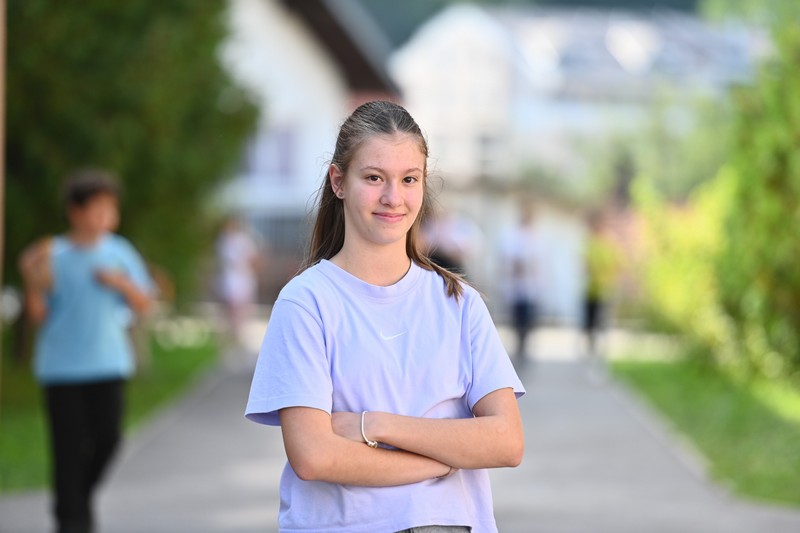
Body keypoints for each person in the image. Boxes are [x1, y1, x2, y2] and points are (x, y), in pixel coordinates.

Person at [245, 101, 525, 533]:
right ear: (339, 181)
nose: (393, 197)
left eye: (409, 179)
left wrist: (371, 425)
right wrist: (439, 461)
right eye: (374, 178)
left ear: (423, 183)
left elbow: (506, 441)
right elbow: (314, 456)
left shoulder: (460, 303)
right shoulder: (306, 303)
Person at [18, 168, 153, 533]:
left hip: (108, 364)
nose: (106, 218)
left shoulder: (119, 252)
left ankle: (75, 500)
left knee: (109, 440)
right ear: (75, 212)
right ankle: (72, 520)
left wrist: (119, 282)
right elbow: (37, 314)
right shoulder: (52, 256)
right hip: (61, 368)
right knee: (67, 450)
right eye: (97, 209)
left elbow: (145, 303)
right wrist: (29, 278)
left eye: (111, 210)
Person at [499, 205, 544, 363]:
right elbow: (508, 255)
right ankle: (519, 344)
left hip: (530, 283)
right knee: (517, 316)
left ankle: (524, 345)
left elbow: (539, 259)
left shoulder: (536, 236)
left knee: (528, 317)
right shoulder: (512, 234)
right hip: (516, 282)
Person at [215, 215, 261, 363]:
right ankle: (230, 342)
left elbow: (253, 258)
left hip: (242, 281)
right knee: (230, 314)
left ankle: (237, 341)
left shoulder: (243, 240)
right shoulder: (224, 241)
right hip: (229, 282)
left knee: (240, 314)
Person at [582, 211, 619, 360]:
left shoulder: (609, 242)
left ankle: (602, 350)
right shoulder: (590, 243)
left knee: (602, 321)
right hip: (591, 289)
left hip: (605, 288)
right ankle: (591, 348)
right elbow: (584, 264)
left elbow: (616, 264)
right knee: (590, 321)